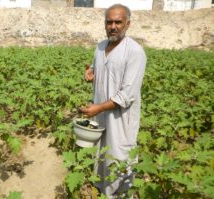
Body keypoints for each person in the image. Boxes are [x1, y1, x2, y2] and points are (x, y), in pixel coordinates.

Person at [80, 4, 146, 198]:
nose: (113, 26)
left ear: (128, 24)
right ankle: (102, 193)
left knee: (119, 160)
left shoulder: (135, 52)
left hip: (120, 120)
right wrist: (91, 72)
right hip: (100, 115)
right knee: (101, 157)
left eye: (118, 22)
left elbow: (127, 95)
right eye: (109, 22)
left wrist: (98, 108)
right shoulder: (100, 47)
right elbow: (96, 67)